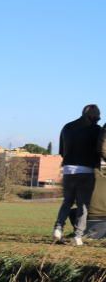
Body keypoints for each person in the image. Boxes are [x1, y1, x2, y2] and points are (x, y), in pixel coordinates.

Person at [53, 104, 102, 246]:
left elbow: (62, 151)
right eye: (98, 118)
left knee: (67, 202)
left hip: (68, 170)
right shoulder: (95, 130)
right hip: (86, 171)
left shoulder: (67, 127)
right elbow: (99, 150)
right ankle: (77, 236)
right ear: (94, 116)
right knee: (83, 206)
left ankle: (58, 229)